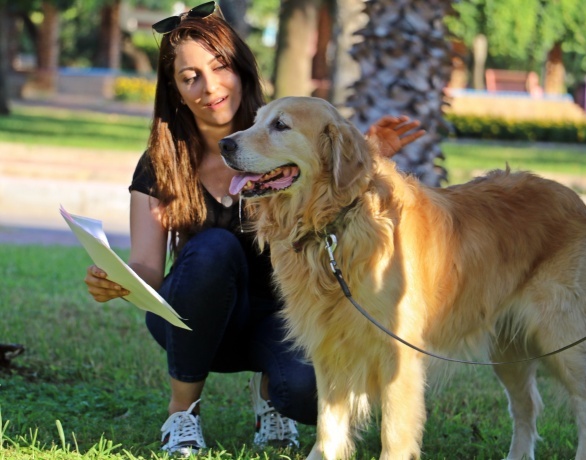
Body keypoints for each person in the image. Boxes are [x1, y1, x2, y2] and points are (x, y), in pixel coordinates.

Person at [84, 1, 424, 457]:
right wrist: (118, 281)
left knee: (306, 391)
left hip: (281, 324)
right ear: (175, 90)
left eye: (220, 67)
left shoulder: (283, 135)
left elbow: (329, 177)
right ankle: (181, 414)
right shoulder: (162, 165)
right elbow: (147, 265)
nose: (210, 87)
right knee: (213, 249)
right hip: (194, 322)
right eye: (190, 78)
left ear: (241, 68)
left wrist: (366, 150)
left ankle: (271, 397)